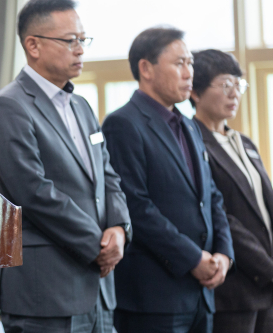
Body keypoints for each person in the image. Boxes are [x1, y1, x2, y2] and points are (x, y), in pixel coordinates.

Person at [0, 0, 131, 333]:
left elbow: (108, 177)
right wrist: (98, 244)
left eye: (83, 40)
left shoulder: (81, 106)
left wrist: (120, 229)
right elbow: (33, 191)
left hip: (98, 287)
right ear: (33, 45)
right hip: (47, 291)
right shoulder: (9, 106)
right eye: (70, 41)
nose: (80, 49)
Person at [101, 28, 234, 333]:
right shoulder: (123, 123)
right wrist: (192, 258)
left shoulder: (189, 125)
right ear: (145, 68)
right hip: (154, 299)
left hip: (202, 295)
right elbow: (135, 206)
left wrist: (224, 255)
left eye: (190, 63)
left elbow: (211, 197)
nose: (190, 73)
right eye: (179, 64)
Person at [190, 49, 273, 333]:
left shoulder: (244, 142)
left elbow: (263, 204)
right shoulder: (192, 141)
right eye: (226, 85)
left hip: (267, 286)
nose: (234, 93)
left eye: (239, 85)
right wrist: (266, 267)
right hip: (235, 287)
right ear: (196, 92)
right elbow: (221, 215)